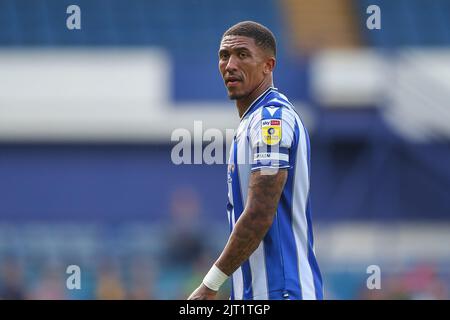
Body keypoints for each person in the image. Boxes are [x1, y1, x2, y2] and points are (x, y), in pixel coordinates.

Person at [188, 21, 323, 300]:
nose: (230, 65)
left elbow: (261, 212)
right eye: (224, 56)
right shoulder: (251, 122)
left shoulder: (269, 119)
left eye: (242, 54)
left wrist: (209, 285)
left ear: (268, 66)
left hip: (282, 291)